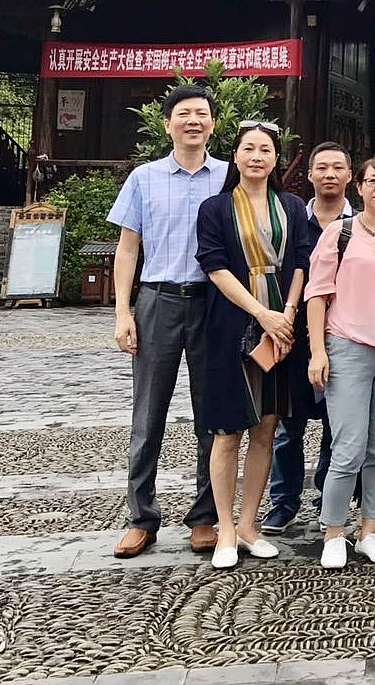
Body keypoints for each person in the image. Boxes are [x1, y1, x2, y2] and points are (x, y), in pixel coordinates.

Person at [108, 84, 227, 559]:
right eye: (183, 114)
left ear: (213, 124)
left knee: (211, 414)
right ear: (167, 124)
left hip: (212, 304)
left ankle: (204, 517)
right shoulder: (144, 177)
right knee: (147, 414)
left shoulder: (230, 176)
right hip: (157, 301)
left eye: (201, 114)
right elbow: (127, 248)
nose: (192, 121)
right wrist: (123, 311)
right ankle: (141, 517)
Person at [195, 121, 311, 569]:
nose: (257, 156)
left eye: (265, 149)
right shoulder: (216, 207)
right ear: (236, 156)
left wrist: (288, 315)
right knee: (228, 432)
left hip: (283, 328)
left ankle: (248, 524)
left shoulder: (292, 206)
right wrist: (262, 314)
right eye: (249, 149)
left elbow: (300, 261)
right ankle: (225, 528)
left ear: (276, 158)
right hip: (233, 325)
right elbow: (215, 267)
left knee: (266, 428)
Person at [304, 155, 375, 570]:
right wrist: (317, 350)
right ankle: (333, 531)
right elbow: (317, 294)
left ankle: (370, 529)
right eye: (373, 181)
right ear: (360, 186)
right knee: (348, 445)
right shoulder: (340, 233)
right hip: (348, 346)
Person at [263, 141, 353, 536]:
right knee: (288, 423)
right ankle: (283, 502)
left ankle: (327, 499)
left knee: (338, 424)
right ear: (311, 174)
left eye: (338, 167)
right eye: (323, 167)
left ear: (350, 176)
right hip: (295, 332)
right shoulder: (290, 219)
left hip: (345, 333)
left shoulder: (359, 225)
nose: (330, 174)